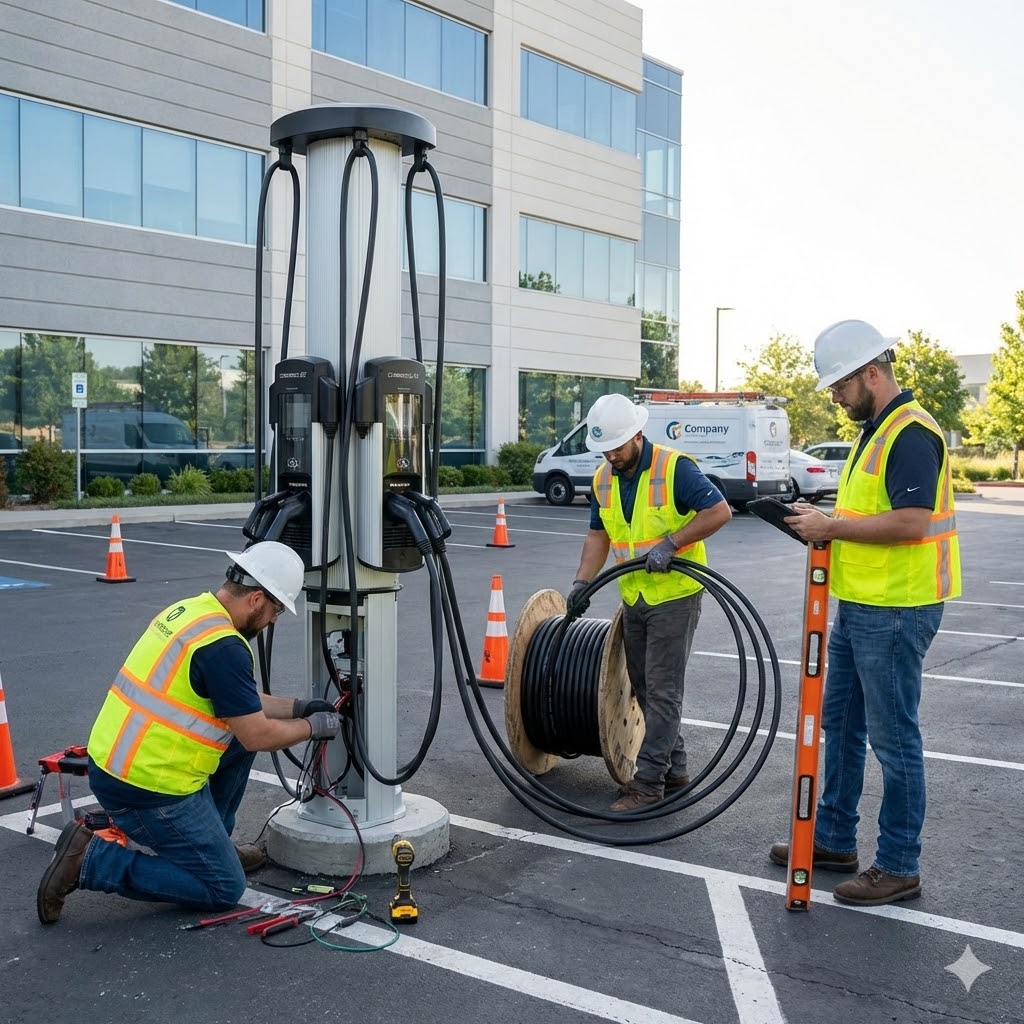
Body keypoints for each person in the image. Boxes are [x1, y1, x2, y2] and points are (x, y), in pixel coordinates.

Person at [37, 541, 342, 925]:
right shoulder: (225, 648)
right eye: (276, 609)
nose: (274, 620)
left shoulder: (193, 612)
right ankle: (93, 864)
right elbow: (257, 735)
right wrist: (312, 727)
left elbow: (239, 700)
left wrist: (298, 706)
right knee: (223, 888)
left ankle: (211, 845)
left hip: (120, 763)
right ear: (256, 599)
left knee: (234, 747)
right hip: (146, 789)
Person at [769, 319, 961, 906]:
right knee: (842, 725)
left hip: (898, 609)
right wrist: (819, 517)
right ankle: (833, 839)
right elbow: (866, 511)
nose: (833, 396)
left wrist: (833, 527)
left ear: (870, 374)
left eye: (838, 386)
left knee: (893, 738)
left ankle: (899, 864)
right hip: (862, 604)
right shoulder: (876, 429)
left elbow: (910, 522)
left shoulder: (909, 434)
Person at [567, 393, 732, 811]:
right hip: (635, 596)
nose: (612, 455)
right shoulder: (603, 478)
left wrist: (672, 543)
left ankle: (648, 784)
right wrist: (582, 582)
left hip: (675, 596)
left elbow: (719, 511)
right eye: (605, 449)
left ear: (638, 435)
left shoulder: (674, 468)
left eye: (618, 447)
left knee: (662, 690)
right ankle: (674, 768)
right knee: (644, 687)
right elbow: (598, 535)